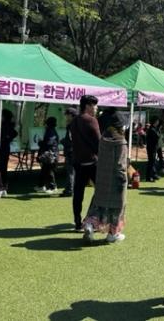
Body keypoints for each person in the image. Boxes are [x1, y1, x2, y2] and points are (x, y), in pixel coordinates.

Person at [82, 108, 128, 243]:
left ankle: (90, 225)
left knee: (98, 204)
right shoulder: (121, 142)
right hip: (116, 181)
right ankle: (112, 234)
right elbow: (120, 165)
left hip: (102, 178)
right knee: (117, 208)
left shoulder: (103, 140)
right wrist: (123, 180)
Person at [71, 95, 101, 232]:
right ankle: (94, 220)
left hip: (78, 162)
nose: (96, 108)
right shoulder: (91, 120)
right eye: (95, 105)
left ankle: (77, 221)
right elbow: (98, 142)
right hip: (92, 162)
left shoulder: (74, 121)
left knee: (78, 193)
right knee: (101, 191)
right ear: (88, 106)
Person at [0, 109, 18, 199]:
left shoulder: (5, 126)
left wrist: (3, 140)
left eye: (0, 116)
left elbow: (13, 134)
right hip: (4, 149)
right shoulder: (7, 125)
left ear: (4, 117)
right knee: (3, 169)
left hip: (2, 149)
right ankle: (4, 188)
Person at [34, 116, 59, 194]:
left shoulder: (50, 131)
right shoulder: (52, 130)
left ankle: (52, 187)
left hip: (50, 154)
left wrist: (40, 142)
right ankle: (41, 186)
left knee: (49, 170)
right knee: (45, 170)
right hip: (50, 153)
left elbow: (48, 143)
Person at [60, 107, 77, 197]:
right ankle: (70, 189)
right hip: (76, 151)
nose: (66, 117)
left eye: (67, 115)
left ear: (71, 115)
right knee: (73, 171)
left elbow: (71, 140)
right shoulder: (78, 123)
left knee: (70, 171)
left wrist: (63, 141)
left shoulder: (71, 125)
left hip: (71, 151)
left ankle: (69, 190)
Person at [145, 117, 160, 182]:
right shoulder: (152, 129)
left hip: (152, 148)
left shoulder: (153, 129)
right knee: (151, 162)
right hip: (151, 148)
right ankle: (149, 177)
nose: (158, 122)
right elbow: (157, 137)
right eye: (157, 121)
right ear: (154, 122)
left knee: (153, 162)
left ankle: (153, 175)